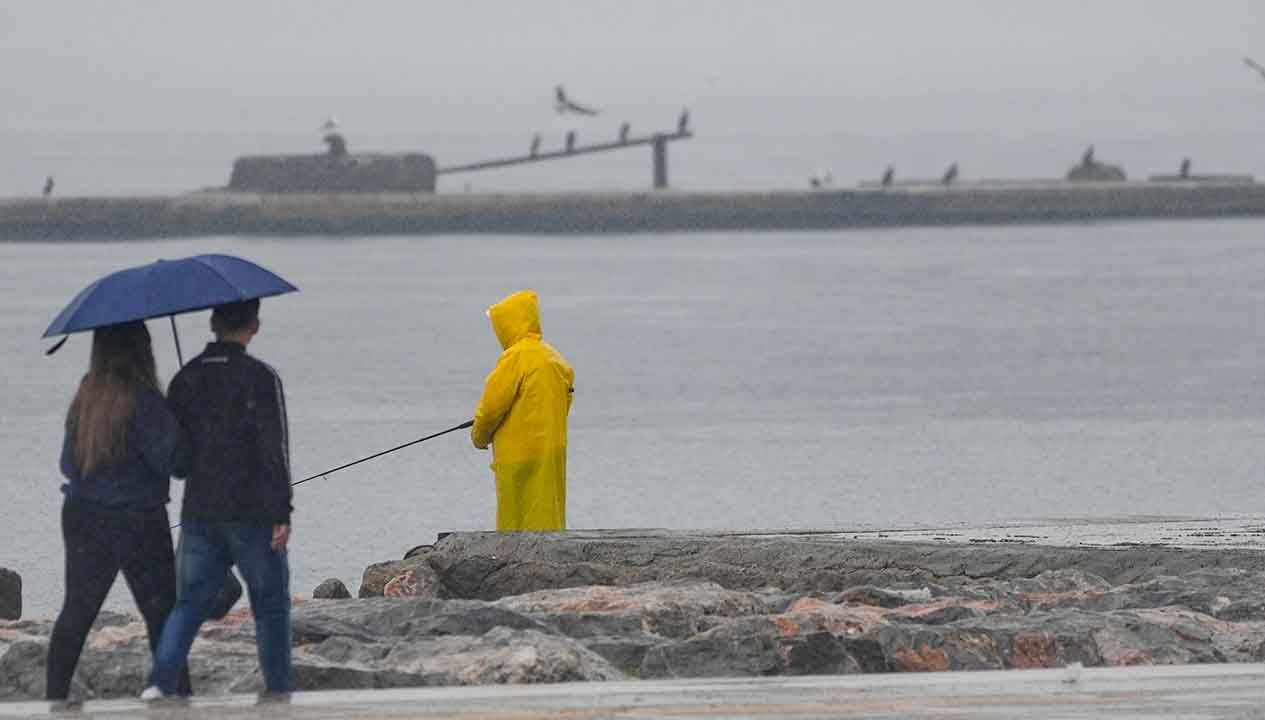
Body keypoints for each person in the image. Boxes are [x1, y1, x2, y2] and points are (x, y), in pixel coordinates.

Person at [144, 299, 294, 698]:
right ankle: (278, 691)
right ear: (255, 327)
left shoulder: (184, 379)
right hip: (255, 513)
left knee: (189, 603)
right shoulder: (261, 377)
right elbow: (273, 450)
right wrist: (283, 512)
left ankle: (159, 683)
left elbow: (177, 463)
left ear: (212, 323)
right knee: (271, 606)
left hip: (200, 511)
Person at [47, 321, 192, 700]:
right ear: (143, 349)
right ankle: (179, 698)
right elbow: (175, 463)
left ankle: (53, 698)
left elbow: (68, 463)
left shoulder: (87, 393)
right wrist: (184, 426)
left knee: (76, 612)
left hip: (82, 514)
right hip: (138, 520)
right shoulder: (145, 401)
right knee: (162, 616)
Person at [471, 290, 575, 531]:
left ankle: (513, 562)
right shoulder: (555, 359)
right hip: (551, 448)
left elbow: (491, 408)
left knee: (514, 514)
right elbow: (564, 402)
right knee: (546, 509)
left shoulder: (515, 358)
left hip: (516, 452)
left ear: (507, 324)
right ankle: (548, 559)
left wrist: (479, 436)